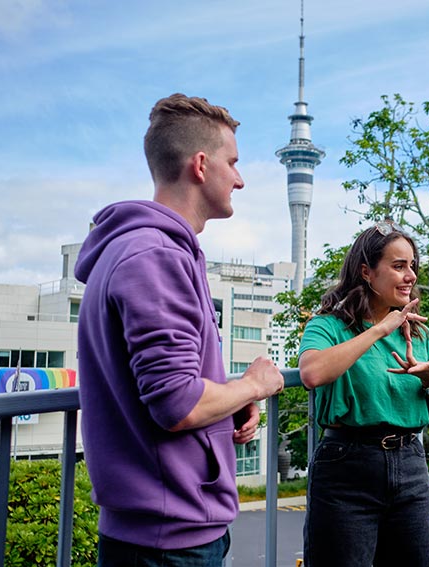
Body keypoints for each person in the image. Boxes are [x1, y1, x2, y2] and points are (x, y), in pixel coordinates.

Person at [75, 93, 285, 566]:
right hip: (168, 542)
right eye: (233, 163)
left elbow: (167, 384)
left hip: (162, 528)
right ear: (200, 165)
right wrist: (255, 383)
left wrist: (228, 401)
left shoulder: (143, 250)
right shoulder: (155, 257)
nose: (241, 178)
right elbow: (176, 403)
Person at [298, 220, 429, 566]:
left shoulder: (417, 332)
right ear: (367, 272)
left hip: (410, 465)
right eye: (399, 266)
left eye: (412, 265)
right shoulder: (328, 325)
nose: (411, 276)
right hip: (346, 466)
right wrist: (381, 328)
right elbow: (312, 373)